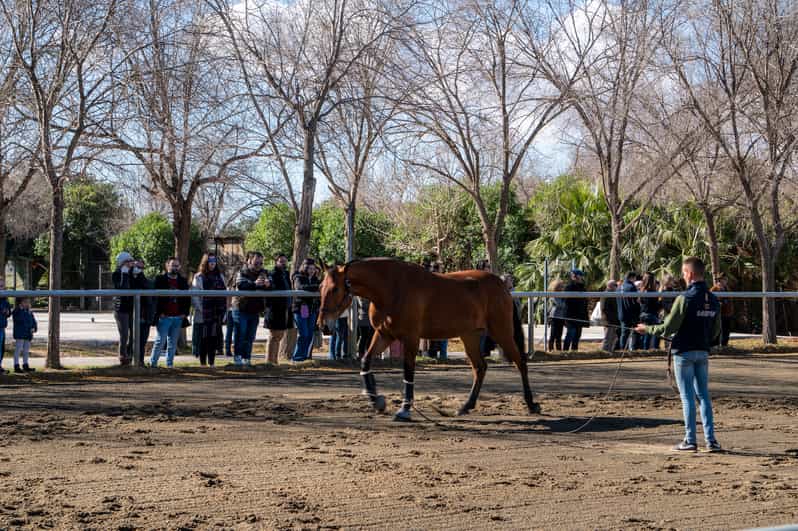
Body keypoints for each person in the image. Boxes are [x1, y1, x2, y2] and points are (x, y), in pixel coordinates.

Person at [636, 256, 722, 452]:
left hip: (683, 353)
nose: (683, 276)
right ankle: (711, 440)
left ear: (689, 274)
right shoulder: (713, 299)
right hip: (703, 352)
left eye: (683, 273)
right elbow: (716, 330)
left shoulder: (684, 298)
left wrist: (647, 329)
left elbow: (668, 328)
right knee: (704, 396)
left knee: (687, 397)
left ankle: (690, 440)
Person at [149, 257, 190, 368]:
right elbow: (154, 298)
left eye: (177, 265)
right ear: (167, 266)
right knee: (160, 341)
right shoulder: (159, 279)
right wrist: (159, 313)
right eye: (173, 265)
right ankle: (153, 364)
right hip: (164, 316)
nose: (175, 268)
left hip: (178, 317)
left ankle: (169, 365)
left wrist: (184, 313)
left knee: (173, 343)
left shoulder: (183, 281)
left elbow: (187, 298)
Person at [232, 251, 270, 366]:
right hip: (241, 309)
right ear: (248, 261)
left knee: (250, 336)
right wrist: (255, 284)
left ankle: (247, 358)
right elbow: (241, 285)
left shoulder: (264, 273)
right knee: (241, 334)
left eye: (261, 263)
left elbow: (272, 284)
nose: (259, 266)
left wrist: (268, 284)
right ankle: (238, 357)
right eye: (256, 263)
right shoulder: (241, 271)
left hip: (255, 310)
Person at [191, 253, 227, 367]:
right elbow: (194, 296)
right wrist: (200, 309)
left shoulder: (220, 276)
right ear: (205, 263)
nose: (212, 264)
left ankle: (212, 362)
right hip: (203, 313)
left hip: (216, 313)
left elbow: (225, 294)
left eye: (214, 261)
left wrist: (224, 311)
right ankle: (203, 363)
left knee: (213, 338)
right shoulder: (198, 277)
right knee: (203, 338)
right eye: (210, 262)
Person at [264, 254, 293, 364]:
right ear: (276, 262)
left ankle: (274, 361)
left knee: (280, 335)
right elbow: (270, 287)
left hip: (285, 308)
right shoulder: (272, 274)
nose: (283, 263)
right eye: (281, 261)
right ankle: (269, 361)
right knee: (274, 335)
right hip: (275, 309)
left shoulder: (286, 274)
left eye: (285, 261)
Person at [291, 258, 320, 362]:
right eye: (310, 268)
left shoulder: (315, 279)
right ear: (304, 267)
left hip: (313, 309)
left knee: (309, 334)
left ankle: (303, 357)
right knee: (304, 334)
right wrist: (317, 287)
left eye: (313, 268)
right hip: (302, 308)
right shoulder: (298, 276)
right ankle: (297, 357)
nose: (312, 270)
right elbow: (300, 287)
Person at [112, 251, 137, 366]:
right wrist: (125, 273)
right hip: (121, 308)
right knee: (124, 334)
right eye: (129, 261)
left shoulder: (132, 273)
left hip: (131, 307)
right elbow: (123, 288)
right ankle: (123, 356)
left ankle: (130, 354)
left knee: (133, 333)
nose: (131, 263)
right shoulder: (117, 274)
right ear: (123, 262)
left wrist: (138, 272)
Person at [563, 269, 588, 351]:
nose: (580, 278)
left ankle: (574, 351)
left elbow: (584, 302)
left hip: (580, 315)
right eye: (578, 276)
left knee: (577, 335)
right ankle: (565, 351)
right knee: (570, 334)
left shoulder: (582, 287)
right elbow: (567, 301)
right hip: (571, 315)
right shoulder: (569, 286)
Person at [12, 297, 37, 373]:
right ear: (20, 303)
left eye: (28, 302)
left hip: (28, 334)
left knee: (26, 350)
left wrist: (34, 328)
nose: (27, 304)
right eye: (25, 302)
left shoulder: (29, 312)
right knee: (18, 350)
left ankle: (25, 365)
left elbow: (33, 321)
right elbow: (18, 319)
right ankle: (16, 365)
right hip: (20, 334)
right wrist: (21, 309)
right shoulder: (17, 311)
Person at [618, 271, 641, 351]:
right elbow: (636, 301)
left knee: (624, 334)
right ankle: (634, 349)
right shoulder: (631, 287)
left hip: (621, 313)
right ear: (632, 277)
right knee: (635, 333)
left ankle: (622, 349)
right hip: (632, 314)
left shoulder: (619, 287)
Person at [639, 272, 663, 350]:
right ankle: (652, 348)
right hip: (650, 314)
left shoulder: (642, 290)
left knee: (645, 335)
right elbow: (655, 306)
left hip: (643, 314)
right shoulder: (651, 292)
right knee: (653, 333)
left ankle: (645, 350)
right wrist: (661, 301)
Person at [711, 273, 734, 347]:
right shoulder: (714, 289)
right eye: (724, 279)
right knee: (717, 330)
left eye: (726, 279)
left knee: (726, 330)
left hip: (727, 313)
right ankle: (715, 345)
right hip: (718, 314)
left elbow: (730, 301)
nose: (725, 281)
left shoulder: (727, 289)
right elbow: (711, 300)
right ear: (720, 280)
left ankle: (725, 345)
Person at [601, 280, 620, 352]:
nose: (616, 287)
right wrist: (610, 319)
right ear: (610, 286)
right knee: (608, 338)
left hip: (613, 320)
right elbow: (604, 308)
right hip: (608, 321)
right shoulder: (606, 294)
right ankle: (605, 352)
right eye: (615, 285)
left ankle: (610, 351)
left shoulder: (612, 294)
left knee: (613, 337)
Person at [548, 279, 566, 351]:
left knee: (559, 336)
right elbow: (560, 305)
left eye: (562, 286)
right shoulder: (554, 295)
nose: (562, 288)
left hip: (561, 317)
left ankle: (559, 350)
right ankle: (551, 349)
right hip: (554, 317)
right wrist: (564, 301)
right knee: (553, 335)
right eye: (561, 286)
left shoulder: (562, 295)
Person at [0, 279, 12, 374]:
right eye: (0, 286)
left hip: (2, 327)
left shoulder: (5, 300)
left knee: (1, 348)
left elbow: (8, 312)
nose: (2, 288)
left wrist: (7, 312)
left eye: (2, 286)